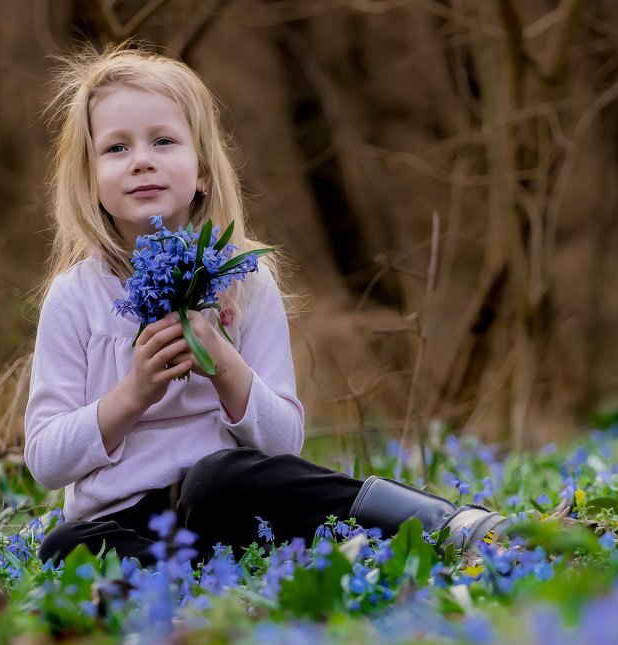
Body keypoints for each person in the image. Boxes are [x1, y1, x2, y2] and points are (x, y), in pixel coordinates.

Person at [26, 43, 507, 567]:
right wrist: (133, 395)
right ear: (90, 179)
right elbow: (47, 461)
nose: (142, 160)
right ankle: (214, 573)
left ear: (203, 169)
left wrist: (221, 358)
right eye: (116, 148)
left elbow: (282, 443)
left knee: (216, 480)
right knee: (62, 548)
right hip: (125, 522)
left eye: (163, 141)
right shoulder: (74, 296)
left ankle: (436, 523)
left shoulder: (244, 282)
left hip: (227, 500)